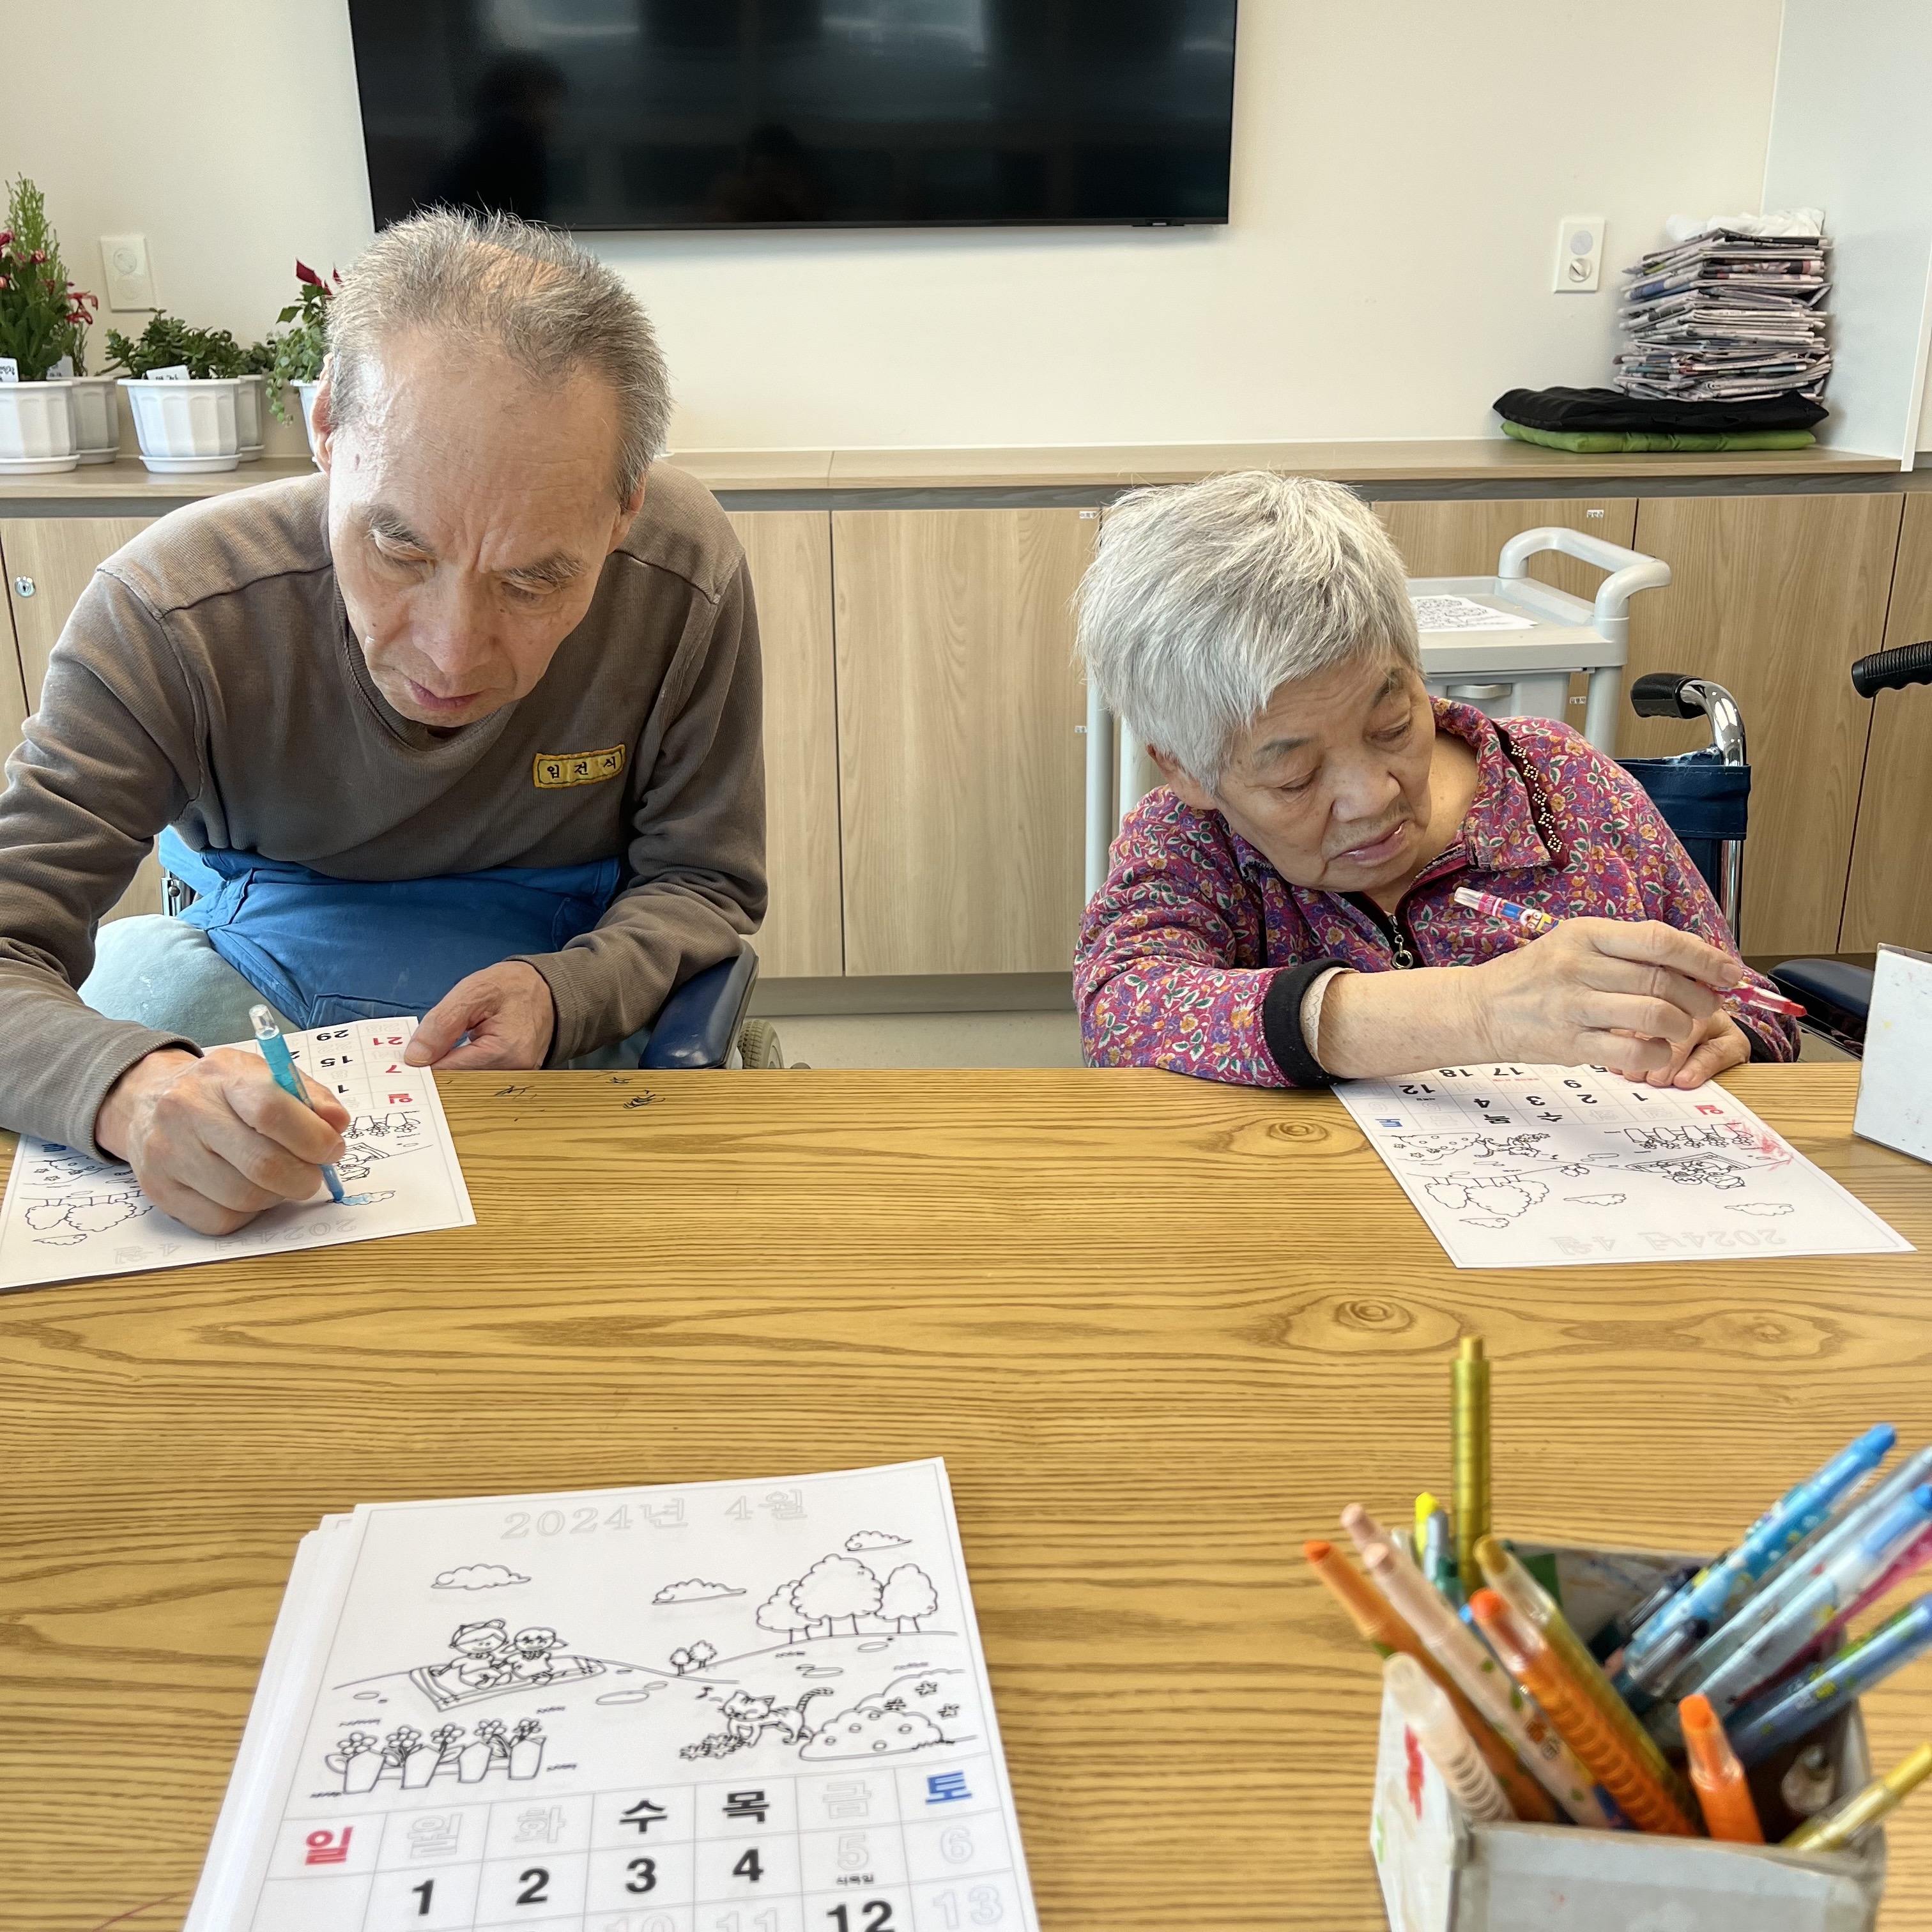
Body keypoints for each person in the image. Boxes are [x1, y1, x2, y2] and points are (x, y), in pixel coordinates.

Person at [0, 210, 764, 1234]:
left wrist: (568, 993)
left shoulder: (683, 571)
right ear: (327, 429)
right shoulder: (171, 610)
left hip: (565, 970)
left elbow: (705, 880)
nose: (452, 656)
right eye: (400, 552)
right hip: (253, 967)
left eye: (533, 582)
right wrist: (130, 1095)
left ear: (624, 510)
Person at [1073, 473, 1797, 1089]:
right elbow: (1122, 1008)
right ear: (1184, 767)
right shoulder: (1193, 841)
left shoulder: (1560, 782)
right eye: (1296, 776)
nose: (1374, 797)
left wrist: (1730, 1034)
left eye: (1392, 727)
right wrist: (1479, 1010)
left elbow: (1754, 1007)